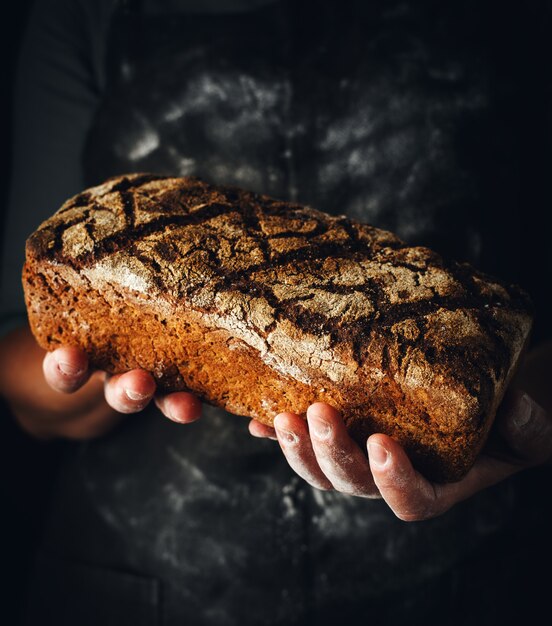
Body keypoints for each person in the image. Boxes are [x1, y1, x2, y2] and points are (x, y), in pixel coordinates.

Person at [1, 0, 551, 624]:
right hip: (145, 579)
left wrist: (531, 410)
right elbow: (17, 374)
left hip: (465, 582)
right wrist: (124, 360)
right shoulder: (80, 13)